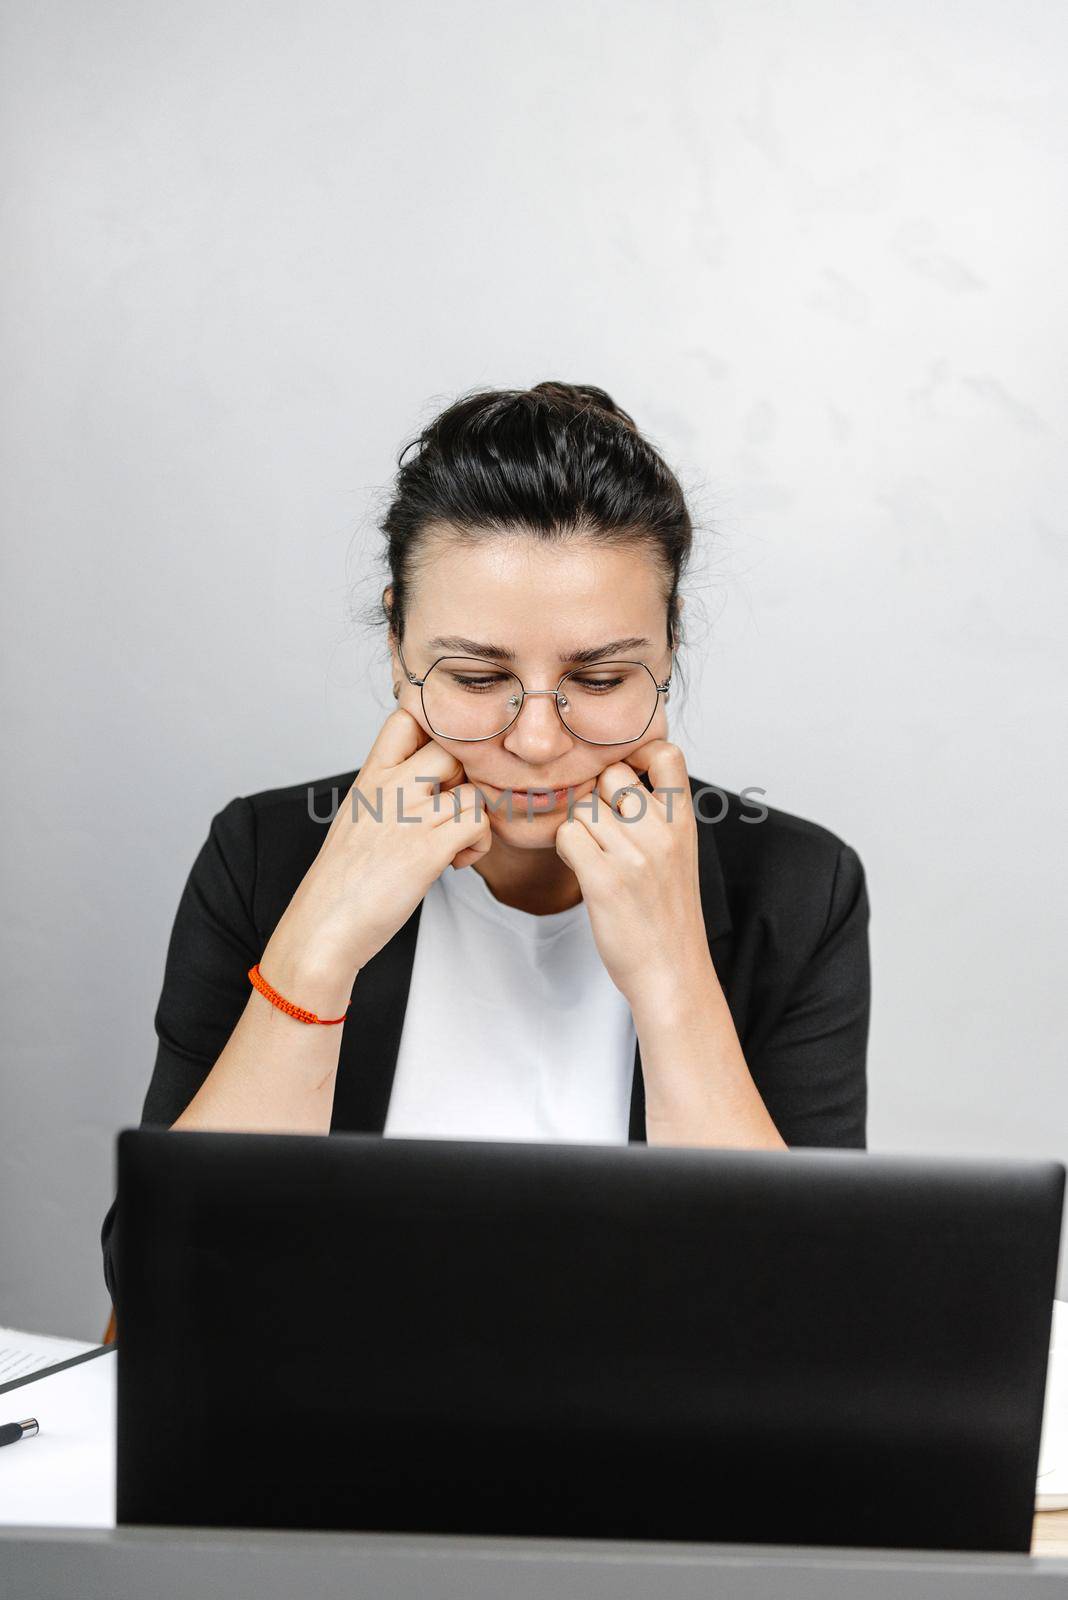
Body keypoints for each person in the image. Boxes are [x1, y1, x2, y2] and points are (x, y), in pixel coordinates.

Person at [100, 381, 871, 1307]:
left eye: (599, 676)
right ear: (397, 644)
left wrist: (674, 980)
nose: (537, 740)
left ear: (668, 653)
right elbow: (163, 1285)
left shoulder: (797, 887)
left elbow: (805, 1314)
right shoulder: (262, 855)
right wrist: (319, 946)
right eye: (475, 675)